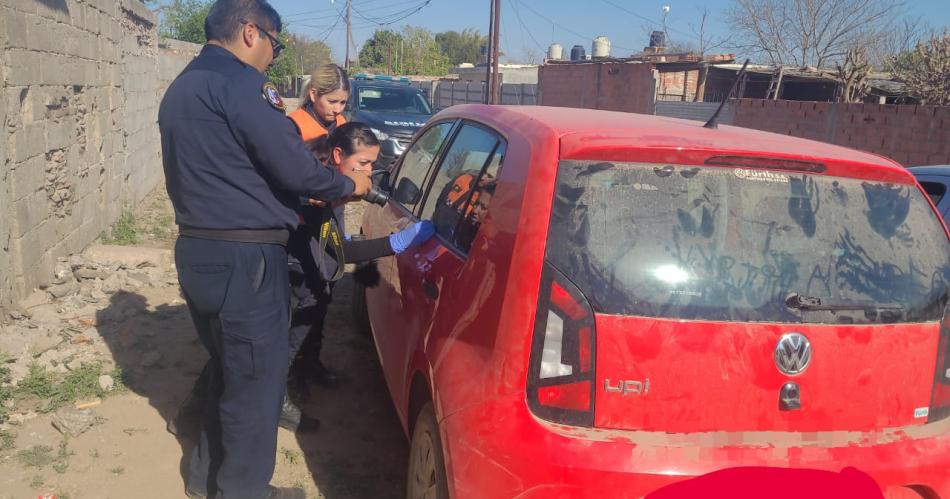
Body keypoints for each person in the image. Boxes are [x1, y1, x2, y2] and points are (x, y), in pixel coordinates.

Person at [157, 0, 372, 497]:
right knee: (256, 389)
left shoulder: (184, 86)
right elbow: (294, 168)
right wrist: (350, 187)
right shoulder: (241, 86)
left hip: (198, 251)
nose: (274, 55)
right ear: (251, 32)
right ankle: (244, 491)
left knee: (227, 374)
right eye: (275, 43)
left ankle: (205, 480)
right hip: (246, 260)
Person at [287, 124, 433, 399]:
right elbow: (339, 250)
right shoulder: (314, 190)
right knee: (293, 336)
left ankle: (308, 368)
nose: (368, 172)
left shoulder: (326, 177)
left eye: (372, 164)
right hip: (292, 267)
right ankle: (285, 392)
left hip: (310, 263)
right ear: (339, 155)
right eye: (363, 163)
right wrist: (396, 243)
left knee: (315, 316)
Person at [288, 63, 349, 141]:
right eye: (332, 102)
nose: (337, 110)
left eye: (343, 102)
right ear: (313, 94)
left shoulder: (342, 123)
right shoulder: (294, 125)